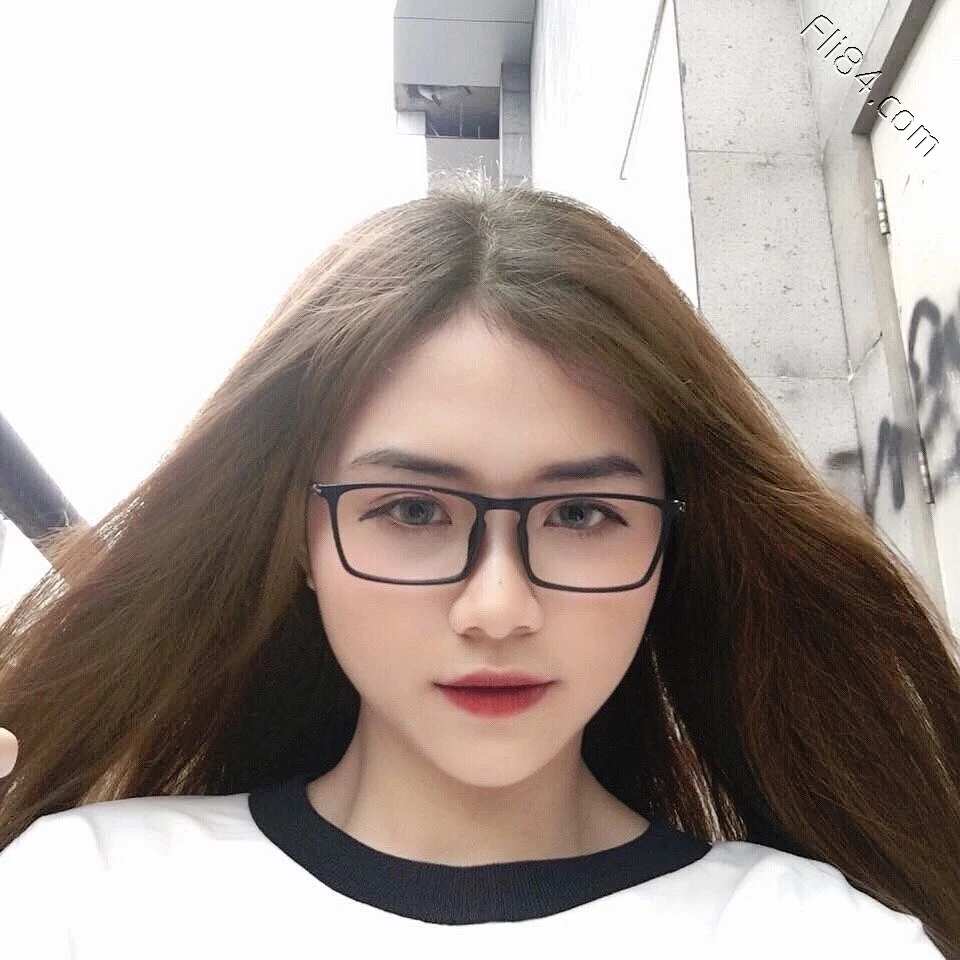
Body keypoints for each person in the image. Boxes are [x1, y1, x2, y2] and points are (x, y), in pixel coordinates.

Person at [0, 182, 957, 958]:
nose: (498, 609)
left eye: (582, 514)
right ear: (299, 538)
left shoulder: (818, 938)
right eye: (413, 510)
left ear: (671, 544)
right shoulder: (76, 900)